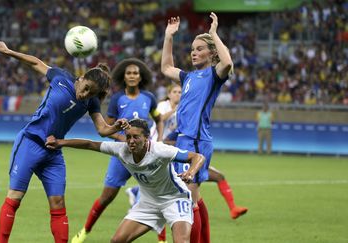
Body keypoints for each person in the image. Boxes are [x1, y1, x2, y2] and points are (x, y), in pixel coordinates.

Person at [0, 41, 129, 243]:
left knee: (58, 203)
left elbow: (102, 130)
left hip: (53, 150)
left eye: (91, 94)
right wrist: (8, 51)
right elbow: (35, 63)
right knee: (15, 196)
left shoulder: (91, 102)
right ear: (81, 78)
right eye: (86, 89)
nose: (85, 95)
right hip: (30, 142)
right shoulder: (61, 77)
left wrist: (117, 126)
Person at [45, 118, 205, 243]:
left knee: (181, 241)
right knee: (117, 240)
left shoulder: (160, 150)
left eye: (136, 137)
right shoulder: (122, 150)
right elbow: (89, 144)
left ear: (147, 138)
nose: (131, 141)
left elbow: (198, 157)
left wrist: (190, 172)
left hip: (175, 200)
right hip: (148, 202)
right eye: (128, 137)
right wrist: (60, 142)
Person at [71, 58, 164, 243]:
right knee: (106, 197)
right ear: (124, 76)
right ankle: (85, 231)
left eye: (135, 73)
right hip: (122, 156)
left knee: (158, 196)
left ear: (140, 77)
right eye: (129, 73)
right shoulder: (117, 99)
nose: (132, 76)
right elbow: (108, 127)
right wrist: (123, 139)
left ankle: (162, 240)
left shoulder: (149, 98)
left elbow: (159, 119)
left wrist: (159, 139)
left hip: (145, 155)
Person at [161, 13, 233, 243]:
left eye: (200, 48)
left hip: (197, 141)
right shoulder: (189, 77)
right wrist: (168, 37)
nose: (194, 52)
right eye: (193, 48)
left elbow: (228, 63)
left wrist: (213, 34)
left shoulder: (214, 75)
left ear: (212, 53)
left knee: (188, 198)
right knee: (193, 198)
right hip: (184, 138)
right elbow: (165, 68)